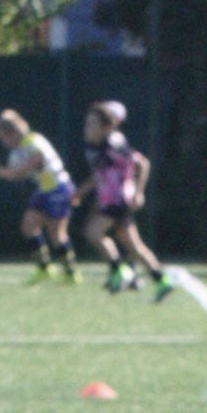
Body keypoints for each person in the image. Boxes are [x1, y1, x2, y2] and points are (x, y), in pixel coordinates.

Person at [78, 99, 166, 293]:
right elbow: (99, 176)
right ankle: (161, 280)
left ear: (106, 128)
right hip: (111, 200)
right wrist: (81, 192)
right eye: (87, 123)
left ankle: (119, 270)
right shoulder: (96, 148)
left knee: (93, 233)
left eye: (92, 124)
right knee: (133, 246)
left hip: (117, 201)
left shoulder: (113, 146)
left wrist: (139, 192)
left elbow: (142, 164)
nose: (87, 128)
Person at [0, 109, 78, 281]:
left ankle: (71, 274)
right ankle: (44, 269)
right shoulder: (17, 151)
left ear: (13, 132)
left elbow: (31, 165)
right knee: (28, 227)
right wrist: (3, 172)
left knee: (56, 234)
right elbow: (16, 175)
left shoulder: (33, 141)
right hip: (44, 189)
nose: (3, 143)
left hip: (58, 188)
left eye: (4, 137)